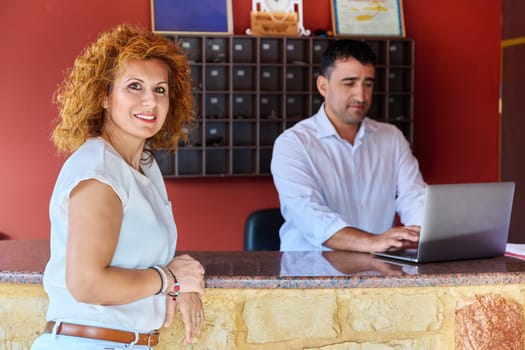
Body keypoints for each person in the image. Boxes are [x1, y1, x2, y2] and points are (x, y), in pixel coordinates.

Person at [32, 24, 205, 349]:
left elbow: (137, 259)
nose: (150, 102)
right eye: (134, 87)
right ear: (104, 96)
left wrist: (176, 283)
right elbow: (87, 283)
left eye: (160, 89)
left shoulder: (145, 166)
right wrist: (169, 279)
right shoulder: (99, 169)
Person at [271, 39, 426, 253]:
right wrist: (372, 242)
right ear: (323, 86)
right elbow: (310, 217)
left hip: (379, 272)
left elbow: (415, 198)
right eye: (349, 83)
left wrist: (422, 236)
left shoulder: (391, 138)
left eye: (368, 84)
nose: (361, 96)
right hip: (309, 275)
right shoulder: (293, 144)